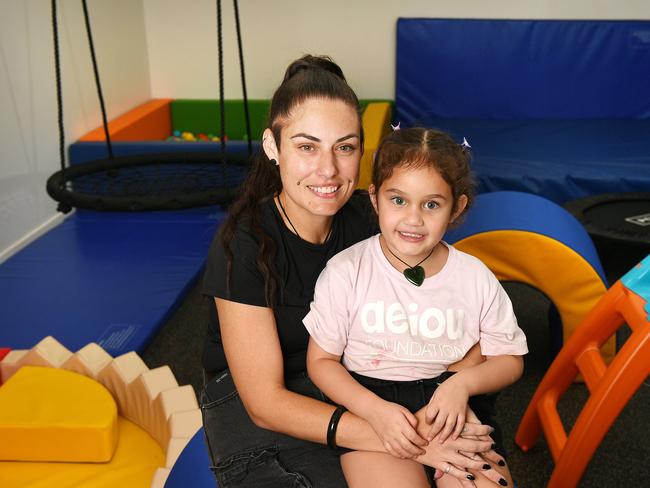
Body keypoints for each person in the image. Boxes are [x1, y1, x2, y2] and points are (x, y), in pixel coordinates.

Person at [201, 55, 504, 488]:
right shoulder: (244, 243)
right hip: (268, 404)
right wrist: (416, 443)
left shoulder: (374, 217)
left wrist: (447, 398)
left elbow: (458, 311)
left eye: (344, 147)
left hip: (366, 381)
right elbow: (265, 402)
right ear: (273, 146)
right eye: (307, 147)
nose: (328, 169)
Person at [305, 127, 528, 487]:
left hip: (451, 406)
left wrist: (460, 386)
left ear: (456, 207)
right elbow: (321, 362)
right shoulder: (346, 271)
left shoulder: (474, 276)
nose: (413, 219)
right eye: (398, 200)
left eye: (431, 204)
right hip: (372, 405)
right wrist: (374, 411)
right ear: (375, 199)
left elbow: (510, 359)